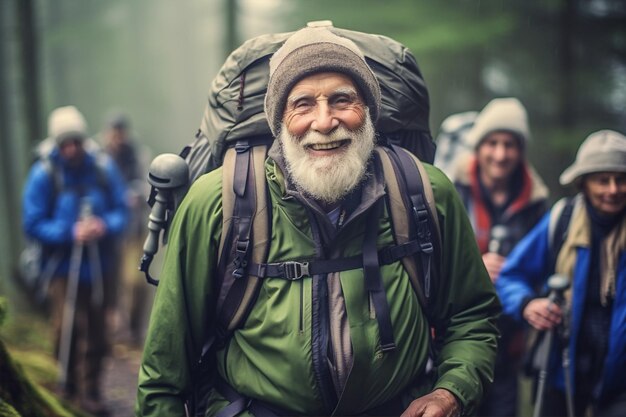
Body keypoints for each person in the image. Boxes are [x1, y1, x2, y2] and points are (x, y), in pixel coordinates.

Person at [136, 26, 500, 417]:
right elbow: (164, 375)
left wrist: (451, 392)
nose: (324, 122)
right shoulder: (218, 204)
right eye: (303, 104)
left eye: (342, 100)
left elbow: (472, 318)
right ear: (279, 120)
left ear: (369, 112)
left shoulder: (425, 193)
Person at [496, 130, 626, 416]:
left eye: (621, 179)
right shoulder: (562, 221)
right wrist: (528, 304)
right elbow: (510, 276)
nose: (613, 189)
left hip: (620, 385)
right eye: (603, 180)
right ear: (584, 183)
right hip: (562, 371)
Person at [22, 105, 128, 416]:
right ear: (56, 145)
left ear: (83, 140)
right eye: (64, 143)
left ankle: (92, 390)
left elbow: (122, 209)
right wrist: (69, 232)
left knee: (98, 330)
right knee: (65, 329)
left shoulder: (101, 168)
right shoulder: (44, 174)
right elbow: (32, 222)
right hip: (61, 269)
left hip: (99, 267)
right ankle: (67, 387)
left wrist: (103, 225)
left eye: (76, 142)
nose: (71, 149)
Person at [450, 98, 549, 416]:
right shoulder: (450, 189)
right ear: (479, 146)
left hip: (510, 338)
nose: (501, 154)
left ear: (521, 150)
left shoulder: (537, 203)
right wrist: (475, 266)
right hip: (455, 333)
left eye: (510, 144)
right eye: (492, 143)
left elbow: (544, 267)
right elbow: (432, 258)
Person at [100, 112, 152, 346]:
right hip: (107, 232)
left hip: (133, 228)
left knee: (136, 280)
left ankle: (133, 328)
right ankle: (112, 329)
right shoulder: (100, 158)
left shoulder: (137, 155)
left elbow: (148, 184)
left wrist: (136, 194)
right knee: (110, 281)